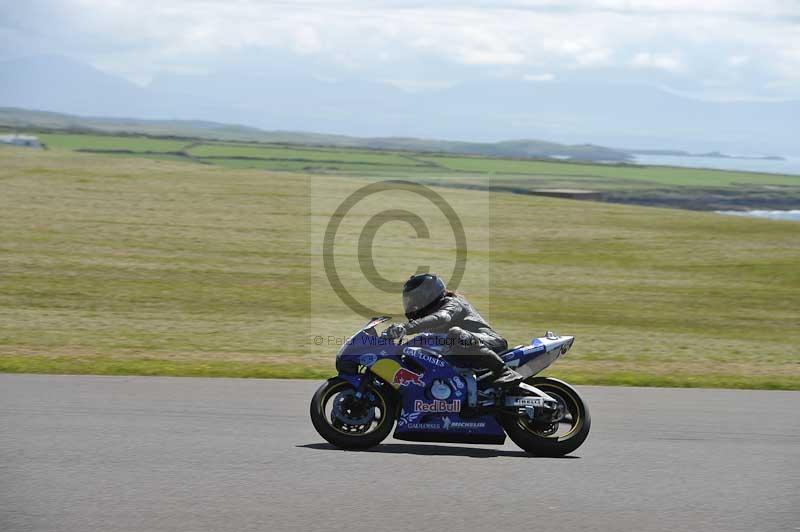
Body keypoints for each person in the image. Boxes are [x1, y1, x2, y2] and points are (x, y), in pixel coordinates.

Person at [385, 273, 523, 389]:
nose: (411, 304)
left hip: (489, 342)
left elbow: (442, 317)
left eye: (414, 298)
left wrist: (406, 328)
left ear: (427, 295)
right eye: (408, 299)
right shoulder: (427, 316)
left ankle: (504, 371)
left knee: (456, 334)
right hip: (462, 352)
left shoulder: (452, 303)